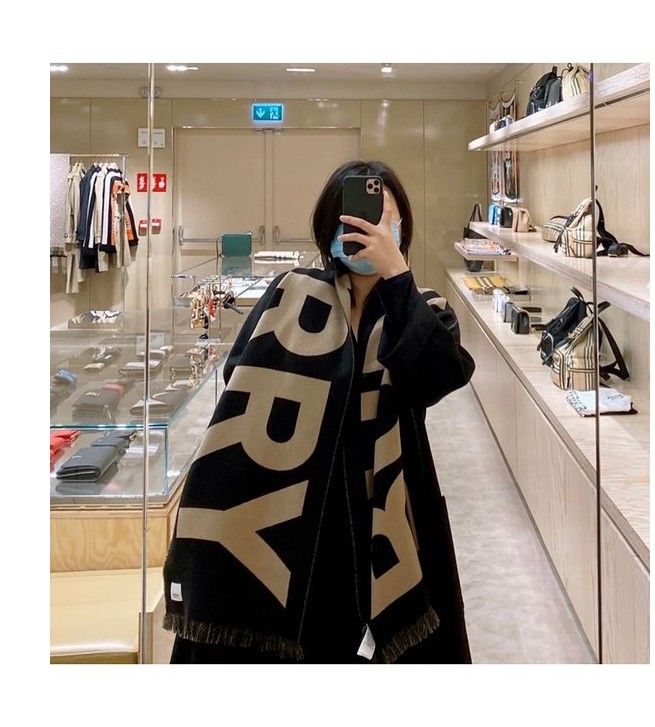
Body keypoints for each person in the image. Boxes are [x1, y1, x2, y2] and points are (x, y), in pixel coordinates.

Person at [162, 159, 476, 663]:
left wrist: (397, 277)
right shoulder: (290, 292)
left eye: (382, 218)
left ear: (402, 228)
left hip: (387, 510)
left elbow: (438, 376)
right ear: (330, 227)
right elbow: (239, 375)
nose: (368, 228)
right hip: (292, 513)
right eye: (356, 216)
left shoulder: (422, 308)